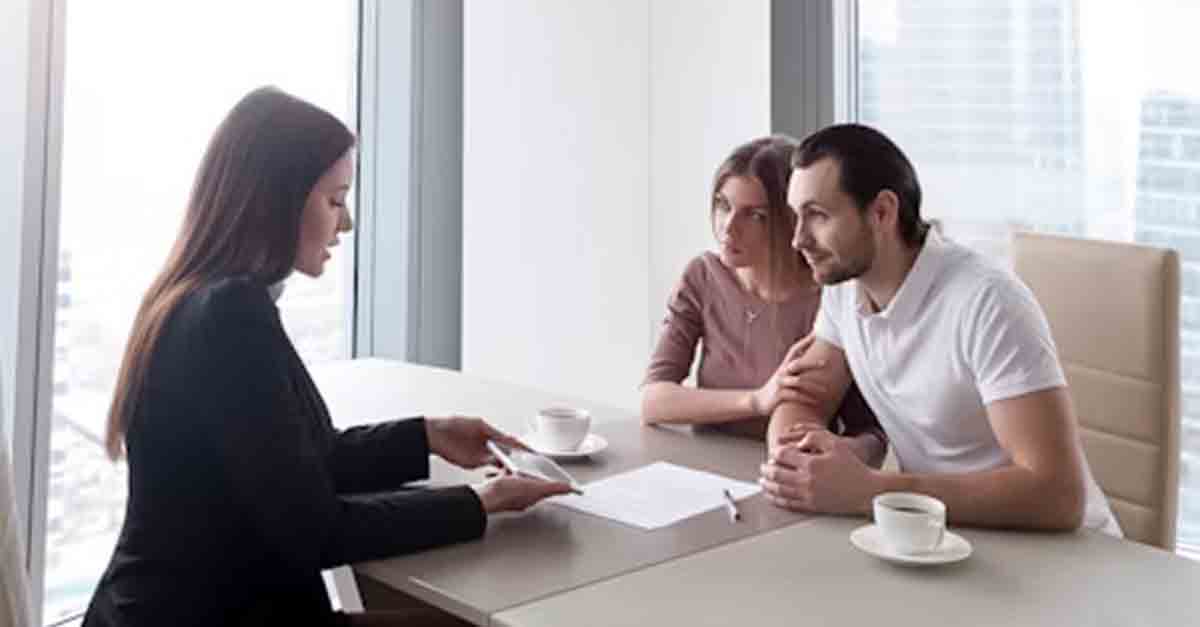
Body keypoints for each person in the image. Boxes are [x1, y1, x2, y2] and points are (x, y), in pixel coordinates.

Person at [82, 87, 571, 627]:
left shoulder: (204, 297)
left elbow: (302, 466)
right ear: (277, 198)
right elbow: (317, 529)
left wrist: (429, 434)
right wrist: (482, 502)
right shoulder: (230, 315)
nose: (347, 224)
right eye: (335, 200)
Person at [759, 123, 1120, 535]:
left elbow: (1058, 495)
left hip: (1063, 555)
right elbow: (804, 398)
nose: (798, 240)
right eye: (795, 216)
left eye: (817, 216)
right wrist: (796, 462)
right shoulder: (845, 288)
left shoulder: (987, 302)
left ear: (882, 212)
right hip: (940, 536)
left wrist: (870, 491)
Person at [641, 136, 884, 466]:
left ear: (792, 220)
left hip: (794, 473)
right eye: (723, 205)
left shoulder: (832, 298)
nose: (729, 227)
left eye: (754, 215)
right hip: (703, 467)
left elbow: (870, 432)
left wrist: (854, 451)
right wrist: (755, 401)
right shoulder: (703, 276)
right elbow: (653, 401)